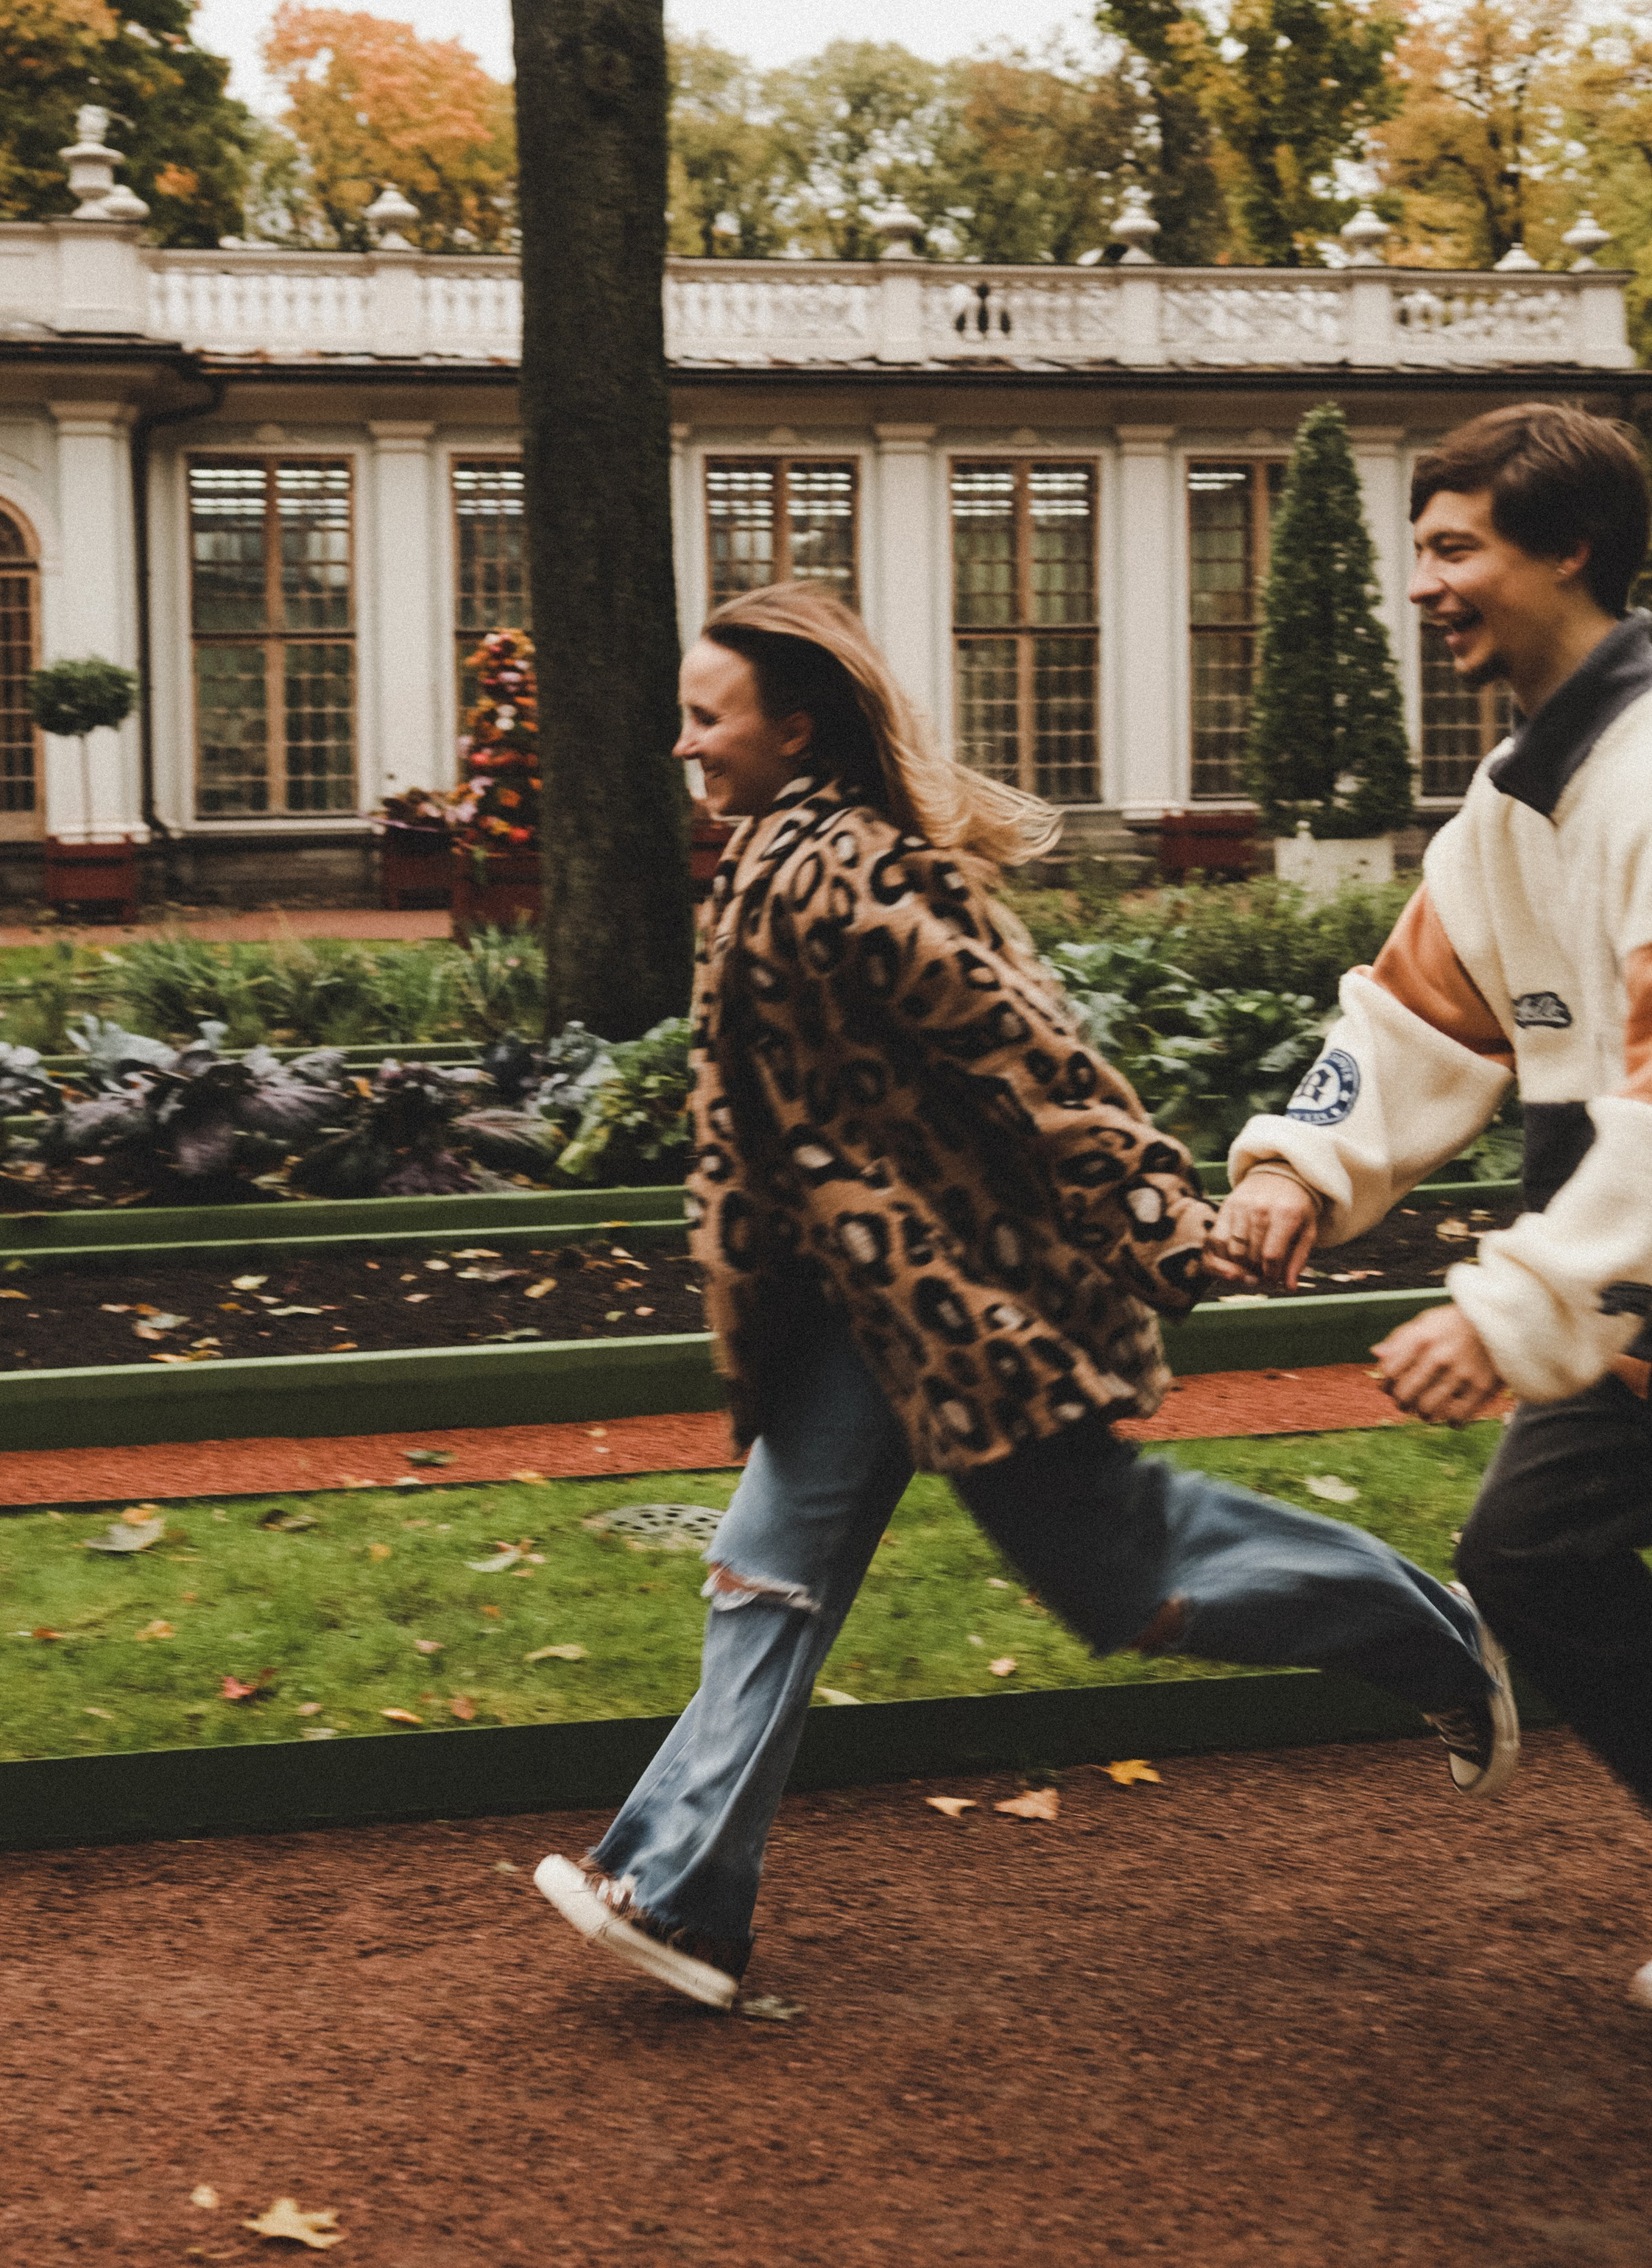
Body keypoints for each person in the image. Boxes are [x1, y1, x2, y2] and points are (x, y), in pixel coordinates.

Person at [533, 581, 1513, 2014]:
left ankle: (1425, 1628)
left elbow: (1035, 1064)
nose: (684, 747)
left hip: (959, 1312)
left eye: (705, 718)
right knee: (764, 1584)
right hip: (849, 1313)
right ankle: (679, 1890)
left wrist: (1170, 1228)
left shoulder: (858, 873)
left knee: (1120, 1576)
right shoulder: (766, 856)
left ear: (793, 727)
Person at [1209, 401, 1652, 2010]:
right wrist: (1294, 1170)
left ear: (1569, 551)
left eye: (1452, 547)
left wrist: (1507, 1306)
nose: (1418, 585)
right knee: (1529, 1559)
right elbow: (1407, 1021)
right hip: (1624, 1309)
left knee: (1530, 1555)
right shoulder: (1509, 802)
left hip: (1601, 1294)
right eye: (1415, 550)